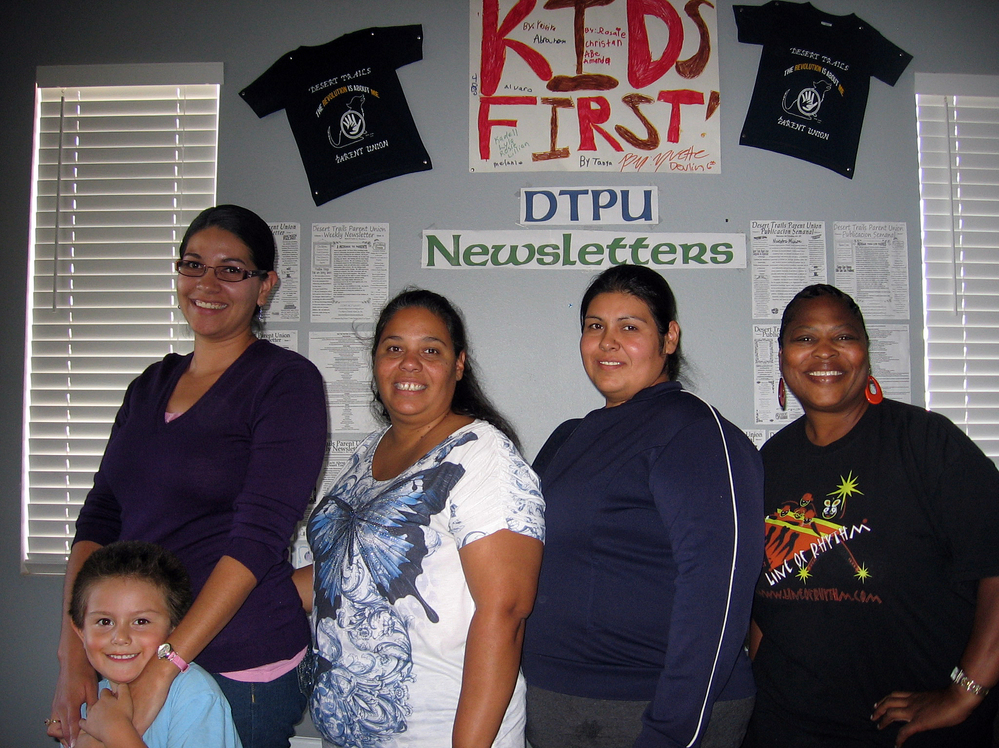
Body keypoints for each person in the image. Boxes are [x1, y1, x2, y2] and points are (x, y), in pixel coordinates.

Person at [48, 205, 329, 748]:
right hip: (136, 651)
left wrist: (166, 666)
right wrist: (73, 649)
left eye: (232, 270)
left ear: (265, 287)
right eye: (193, 265)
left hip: (234, 664)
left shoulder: (284, 383)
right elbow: (101, 516)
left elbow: (258, 537)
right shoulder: (149, 386)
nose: (208, 283)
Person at [745, 284, 999, 747]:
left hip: (905, 732)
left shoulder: (926, 443)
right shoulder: (767, 462)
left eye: (842, 337)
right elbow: (764, 601)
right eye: (805, 338)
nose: (825, 352)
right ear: (781, 357)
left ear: (865, 352)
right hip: (787, 727)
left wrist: (965, 692)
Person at [522, 264, 764, 748]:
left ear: (669, 338)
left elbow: (717, 589)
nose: (607, 342)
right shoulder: (568, 438)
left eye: (629, 327)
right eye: (595, 326)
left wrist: (672, 730)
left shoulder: (692, 431)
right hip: (555, 704)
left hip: (649, 711)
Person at [299, 288, 545, 747]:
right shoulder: (367, 452)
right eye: (394, 348)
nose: (409, 364)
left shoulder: (482, 454)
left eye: (430, 350)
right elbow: (345, 569)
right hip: (353, 731)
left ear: (458, 365)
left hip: (442, 732)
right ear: (375, 361)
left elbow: (505, 611)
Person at [68, 541, 242, 748]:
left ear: (175, 629)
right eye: (104, 622)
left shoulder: (194, 695)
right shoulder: (88, 704)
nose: (121, 637)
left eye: (141, 621)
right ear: (80, 631)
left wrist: (117, 732)